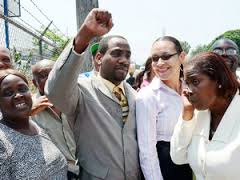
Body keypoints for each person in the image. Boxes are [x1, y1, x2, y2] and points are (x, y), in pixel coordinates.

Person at [45, 9, 141, 180]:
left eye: (128, 55)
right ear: (98, 58)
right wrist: (84, 36)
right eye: (117, 53)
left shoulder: (135, 96)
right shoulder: (82, 90)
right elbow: (54, 91)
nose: (124, 60)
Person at [170, 52, 240, 180]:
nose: (188, 90)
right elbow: (178, 157)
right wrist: (187, 114)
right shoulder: (196, 114)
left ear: (218, 80)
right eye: (187, 83)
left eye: (195, 81)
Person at [136, 36, 192, 180]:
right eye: (155, 58)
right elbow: (147, 151)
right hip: (165, 170)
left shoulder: (192, 88)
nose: (160, 63)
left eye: (166, 56)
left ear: (181, 57)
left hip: (194, 166)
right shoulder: (147, 97)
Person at [0, 69, 67, 179]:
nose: (18, 95)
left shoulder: (35, 126)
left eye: (22, 89)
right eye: (8, 93)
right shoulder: (2, 141)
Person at [31, 59, 79, 179]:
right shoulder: (28, 107)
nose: (50, 79)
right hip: (57, 173)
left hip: (83, 167)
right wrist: (28, 112)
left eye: (54, 74)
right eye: (43, 76)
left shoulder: (74, 99)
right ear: (34, 82)